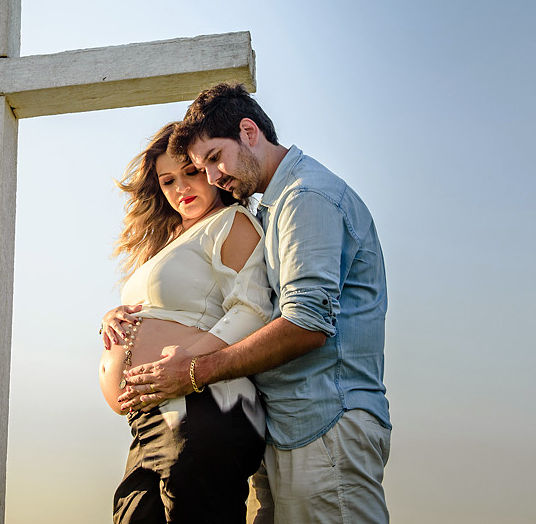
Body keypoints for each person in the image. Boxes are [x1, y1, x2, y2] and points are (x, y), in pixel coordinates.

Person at [120, 84, 391, 524]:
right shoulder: (275, 206)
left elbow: (306, 324)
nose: (211, 177)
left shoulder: (307, 196)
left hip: (325, 424)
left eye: (214, 159)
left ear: (249, 132)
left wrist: (194, 371)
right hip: (284, 429)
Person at [98, 121, 273, 524]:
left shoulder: (230, 222)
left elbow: (254, 310)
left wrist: (185, 364)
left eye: (191, 172)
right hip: (150, 419)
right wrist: (114, 318)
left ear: (211, 170)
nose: (181, 188)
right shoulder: (170, 242)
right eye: (167, 181)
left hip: (203, 407)